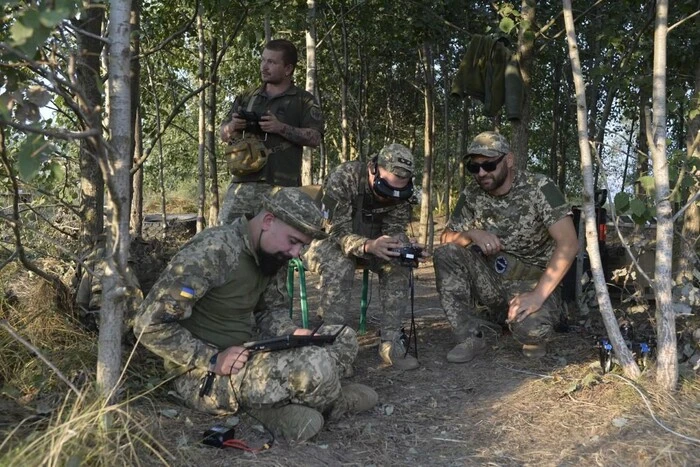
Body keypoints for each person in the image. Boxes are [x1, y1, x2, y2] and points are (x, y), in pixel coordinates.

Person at [133, 188, 377, 443]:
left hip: (249, 352)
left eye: (302, 246)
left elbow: (270, 312)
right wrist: (213, 358)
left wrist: (292, 333)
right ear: (268, 221)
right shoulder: (212, 252)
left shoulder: (271, 254)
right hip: (201, 375)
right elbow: (148, 325)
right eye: (293, 241)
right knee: (314, 366)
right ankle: (320, 404)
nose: (296, 253)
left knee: (342, 337)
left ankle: (302, 400)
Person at [433, 131, 578, 362]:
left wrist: (537, 296)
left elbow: (569, 243)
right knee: (446, 253)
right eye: (474, 167)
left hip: (533, 283)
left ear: (509, 160)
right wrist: (471, 234)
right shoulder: (471, 194)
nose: (481, 173)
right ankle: (470, 337)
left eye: (489, 165)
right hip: (492, 282)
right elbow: (445, 238)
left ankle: (515, 321)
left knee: (532, 332)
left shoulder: (539, 187)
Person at [304, 143, 423, 371]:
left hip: (372, 245)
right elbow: (334, 230)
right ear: (373, 169)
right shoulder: (344, 177)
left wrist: (405, 247)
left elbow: (395, 228)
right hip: (323, 241)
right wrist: (367, 245)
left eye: (399, 190)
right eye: (386, 189)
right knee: (341, 263)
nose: (391, 197)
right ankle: (332, 345)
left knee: (399, 263)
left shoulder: (400, 193)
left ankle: (391, 342)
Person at [218, 39, 324, 225]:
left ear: (288, 69)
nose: (264, 67)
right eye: (263, 60)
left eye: (272, 62)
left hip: (282, 186)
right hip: (243, 184)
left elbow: (315, 138)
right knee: (226, 237)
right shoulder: (248, 96)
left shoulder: (303, 100)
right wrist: (234, 126)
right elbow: (223, 134)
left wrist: (280, 128)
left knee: (279, 246)